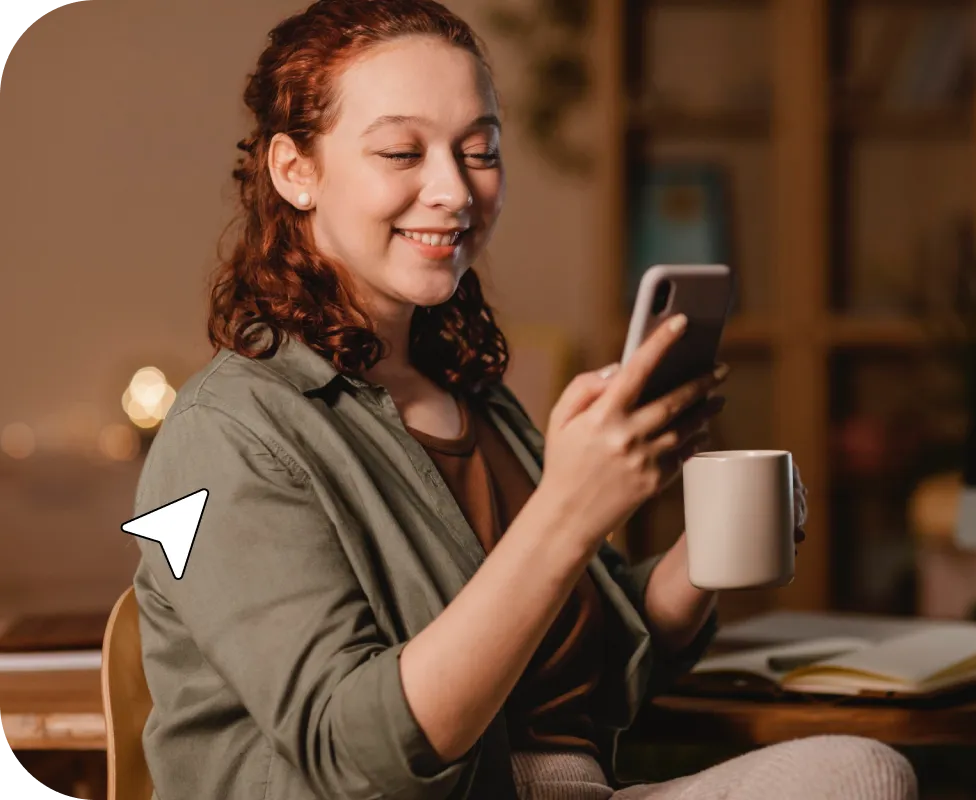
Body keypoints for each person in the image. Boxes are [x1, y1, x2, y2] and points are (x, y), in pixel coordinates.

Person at [130, 1, 919, 798]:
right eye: (402, 151)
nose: (452, 190)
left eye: (480, 151)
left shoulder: (473, 399)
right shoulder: (224, 436)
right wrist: (568, 510)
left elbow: (577, 673)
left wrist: (704, 555)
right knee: (859, 777)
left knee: (859, 774)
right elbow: (354, 756)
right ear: (294, 170)